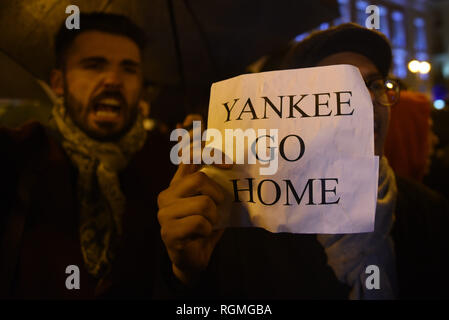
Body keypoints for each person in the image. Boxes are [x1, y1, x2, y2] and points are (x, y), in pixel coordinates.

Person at [157, 23, 449, 299]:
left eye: (374, 84)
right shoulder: (246, 223)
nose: (365, 99)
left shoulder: (429, 211)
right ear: (293, 113)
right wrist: (186, 276)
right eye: (339, 86)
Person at [0, 13, 175, 298]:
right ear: (58, 82)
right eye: (94, 65)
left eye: (129, 69)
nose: (113, 81)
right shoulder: (21, 153)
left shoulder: (170, 164)